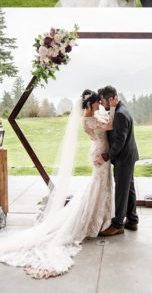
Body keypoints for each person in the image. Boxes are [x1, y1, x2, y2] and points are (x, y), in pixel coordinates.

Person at [0, 91, 117, 278]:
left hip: (101, 151)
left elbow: (106, 121)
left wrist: (105, 109)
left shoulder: (94, 115)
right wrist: (112, 107)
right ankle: (92, 221)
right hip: (99, 154)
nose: (98, 106)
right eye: (96, 103)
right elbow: (110, 125)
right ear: (89, 105)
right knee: (98, 185)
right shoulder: (87, 121)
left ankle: (102, 218)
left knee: (102, 186)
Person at [97, 86, 139, 237]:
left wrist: (107, 156)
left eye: (102, 101)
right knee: (129, 188)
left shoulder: (120, 114)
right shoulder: (120, 109)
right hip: (128, 156)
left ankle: (118, 224)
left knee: (121, 191)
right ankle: (132, 220)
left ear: (110, 99)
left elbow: (119, 141)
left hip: (124, 158)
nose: (101, 104)